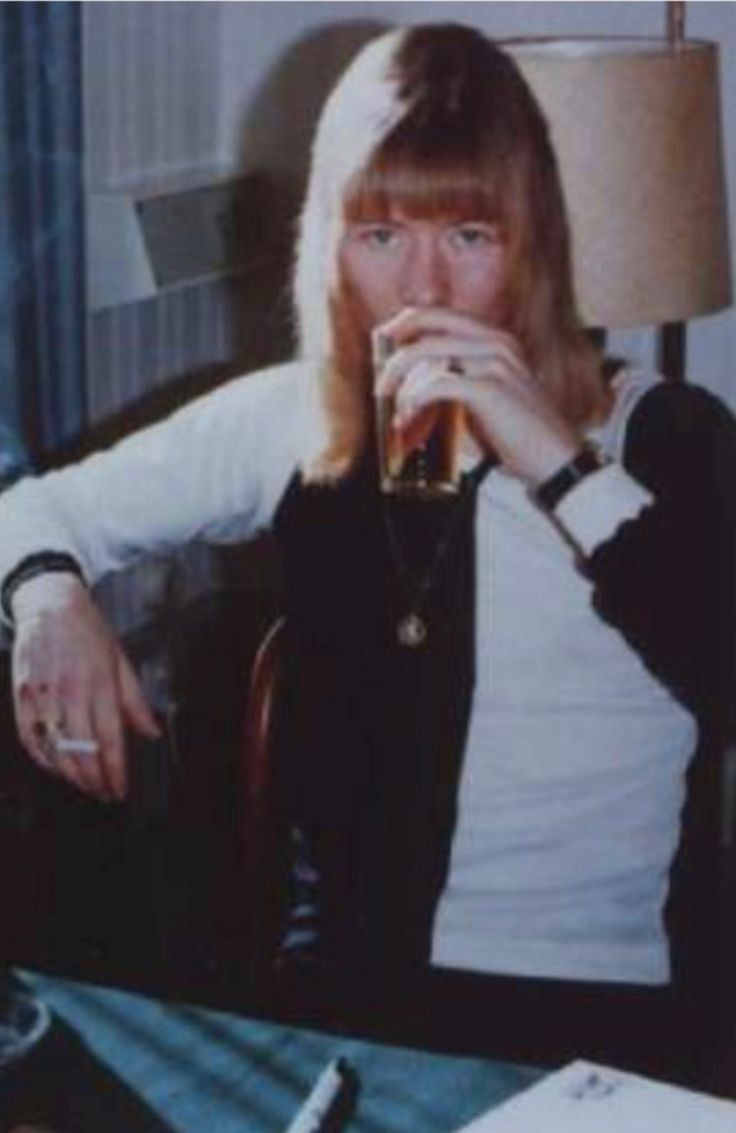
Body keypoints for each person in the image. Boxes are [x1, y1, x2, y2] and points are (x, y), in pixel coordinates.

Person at [0, 24, 734, 1077]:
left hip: (608, 1016)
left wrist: (557, 465)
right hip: (355, 1005)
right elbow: (29, 511)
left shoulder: (663, 435)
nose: (423, 286)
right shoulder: (302, 419)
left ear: (532, 241)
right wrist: (47, 600)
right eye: (381, 235)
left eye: (469, 235)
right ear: (329, 247)